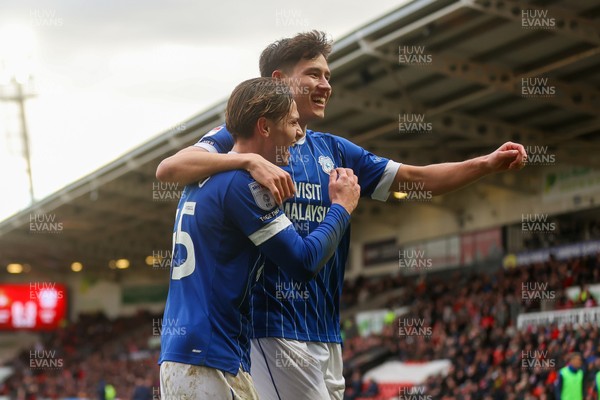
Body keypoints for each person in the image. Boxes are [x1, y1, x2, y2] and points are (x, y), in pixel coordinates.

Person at [156, 31, 527, 399]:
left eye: (328, 76)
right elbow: (171, 167)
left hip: (325, 329)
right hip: (272, 330)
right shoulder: (241, 137)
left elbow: (415, 178)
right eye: (314, 74)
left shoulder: (334, 150)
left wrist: (485, 163)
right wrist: (249, 159)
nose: (325, 85)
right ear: (279, 82)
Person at [158, 77, 361, 399]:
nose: (298, 133)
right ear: (265, 127)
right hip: (209, 358)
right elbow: (304, 262)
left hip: (197, 354)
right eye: (293, 123)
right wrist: (341, 208)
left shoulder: (204, 176)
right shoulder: (241, 185)